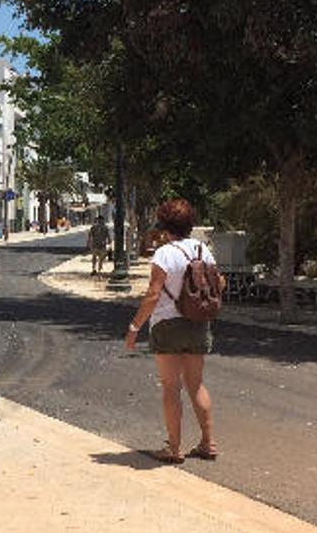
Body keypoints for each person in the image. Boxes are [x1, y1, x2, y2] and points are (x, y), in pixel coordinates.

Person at [123, 199, 219, 464]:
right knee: (196, 383)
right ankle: (208, 442)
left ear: (166, 226)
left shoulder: (165, 253)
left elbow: (153, 294)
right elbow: (218, 281)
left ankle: (174, 448)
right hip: (198, 322)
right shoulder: (203, 250)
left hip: (167, 324)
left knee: (170, 387)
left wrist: (134, 328)